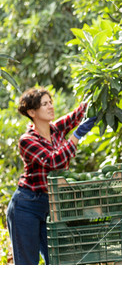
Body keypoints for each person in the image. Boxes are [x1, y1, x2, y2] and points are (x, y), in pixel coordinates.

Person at [6, 87, 96, 264]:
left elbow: (77, 115)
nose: (51, 107)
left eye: (51, 102)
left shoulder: (55, 130)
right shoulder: (28, 140)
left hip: (51, 205)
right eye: (45, 104)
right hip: (27, 204)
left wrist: (94, 96)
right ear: (32, 112)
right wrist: (76, 137)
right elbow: (54, 162)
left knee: (57, 260)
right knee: (27, 263)